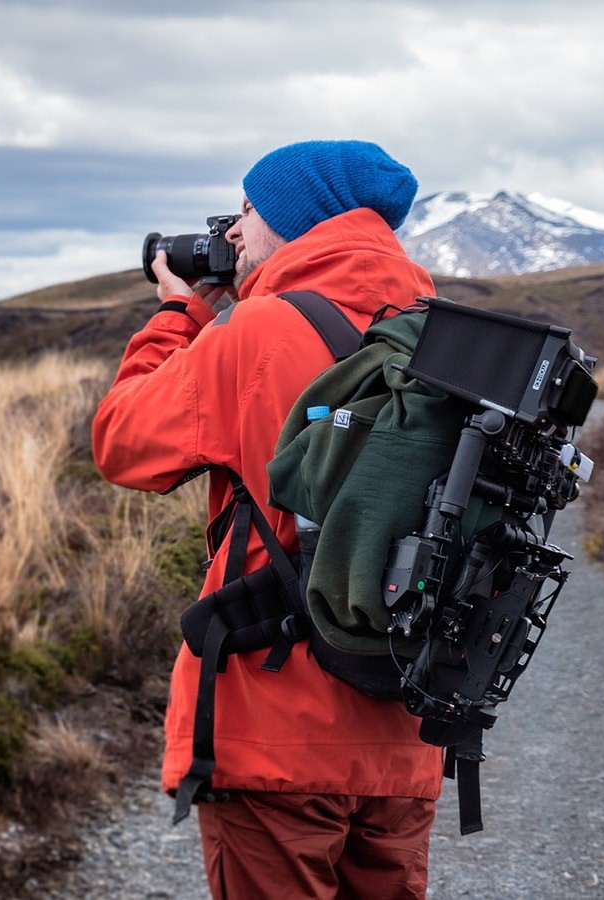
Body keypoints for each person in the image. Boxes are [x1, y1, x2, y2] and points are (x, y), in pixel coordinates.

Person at [91, 140, 445, 899]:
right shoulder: (441, 335)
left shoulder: (252, 334)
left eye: (247, 212)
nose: (234, 235)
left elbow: (122, 444)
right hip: (405, 729)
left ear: (292, 218)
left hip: (275, 723)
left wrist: (178, 316)